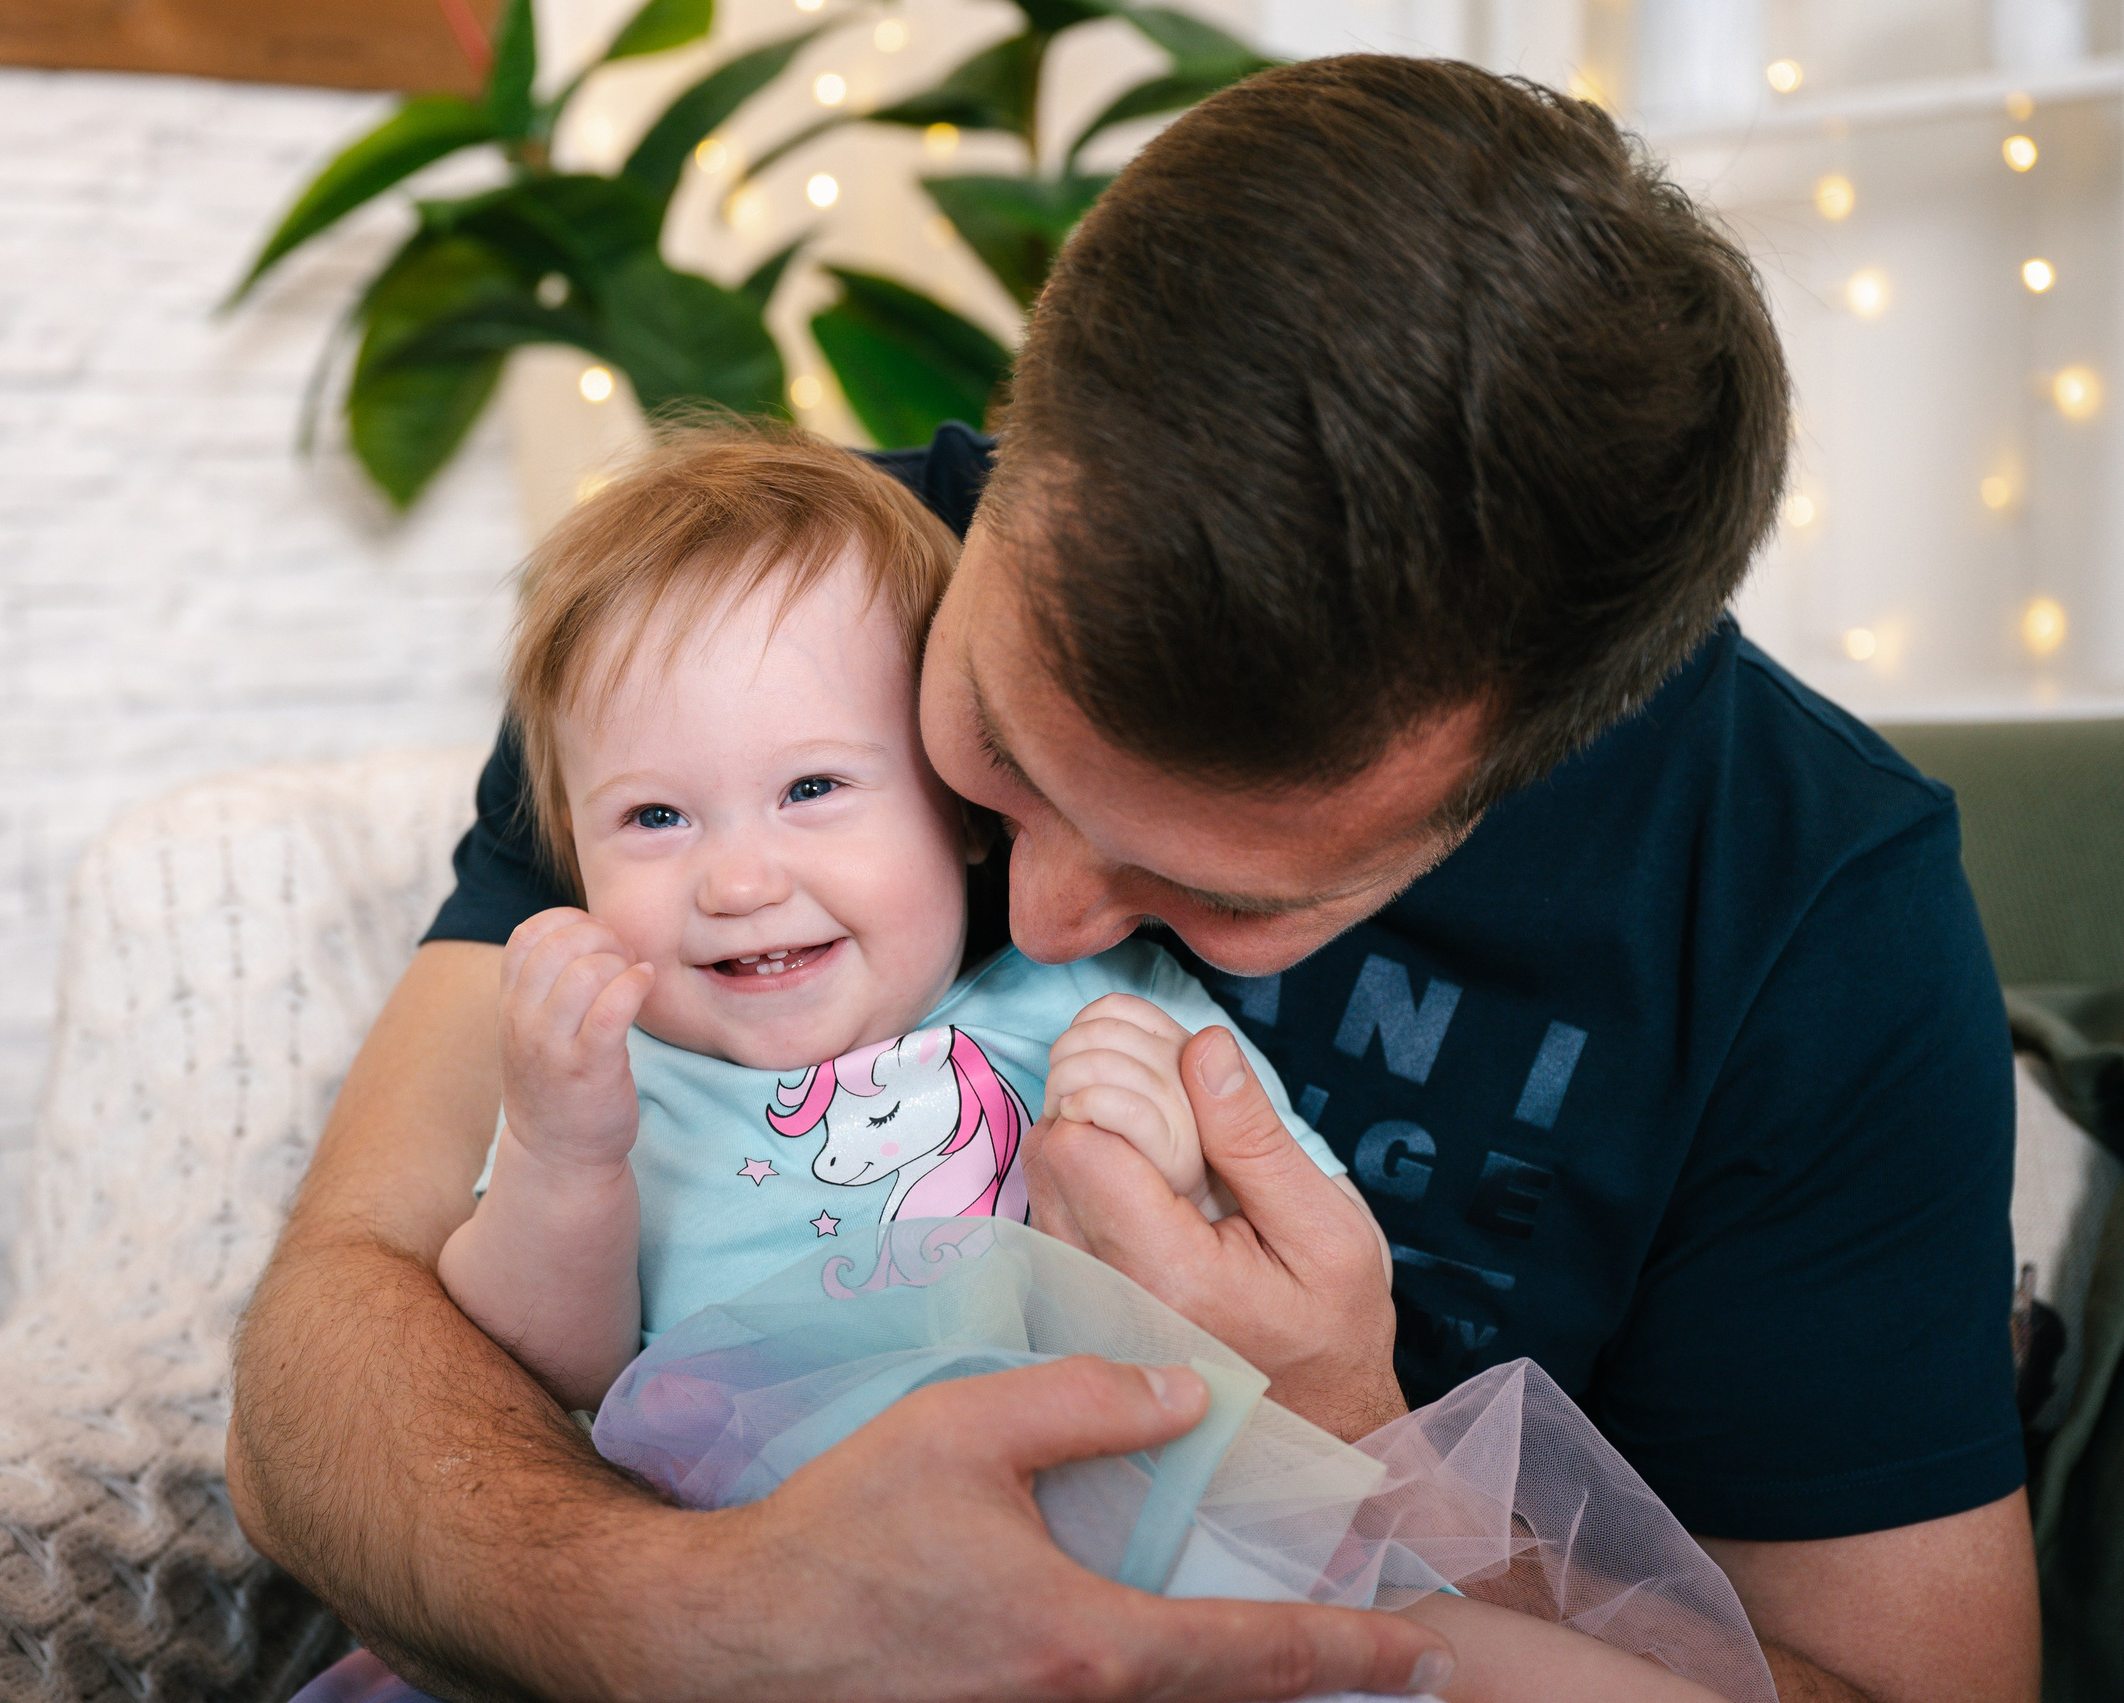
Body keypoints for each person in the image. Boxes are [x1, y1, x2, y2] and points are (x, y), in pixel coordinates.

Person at [228, 55, 2039, 1702]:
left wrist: (1352, 1426)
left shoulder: (1805, 900)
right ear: (1019, 436)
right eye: (998, 749)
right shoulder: (753, 644)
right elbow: (329, 1357)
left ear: (1543, 754)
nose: (1050, 919)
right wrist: (704, 1609)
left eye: (1225, 888)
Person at [437, 428, 1358, 1412]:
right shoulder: (610, 1082)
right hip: (769, 1537)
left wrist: (1187, 1187)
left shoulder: (1102, 999)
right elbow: (557, 1369)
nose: (738, 883)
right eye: (654, 816)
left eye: (811, 785)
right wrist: (559, 1158)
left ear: (968, 805)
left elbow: (1325, 1284)